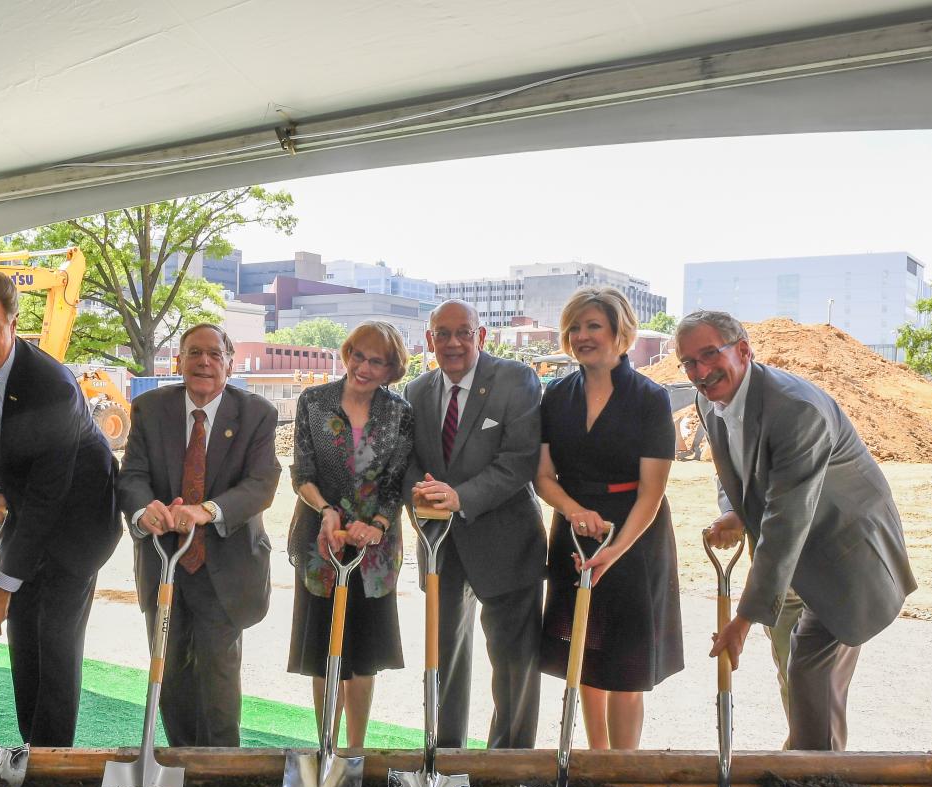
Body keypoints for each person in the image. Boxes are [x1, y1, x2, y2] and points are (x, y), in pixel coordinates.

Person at [681, 310, 916, 751]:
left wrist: (744, 618)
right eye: (688, 362)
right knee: (792, 667)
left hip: (842, 553)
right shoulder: (710, 403)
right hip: (786, 560)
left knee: (811, 672)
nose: (700, 371)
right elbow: (733, 468)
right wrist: (733, 510)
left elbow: (787, 519)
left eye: (709, 355)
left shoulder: (796, 409)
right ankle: (805, 765)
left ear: (744, 350)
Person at [0, 270, 120, 747]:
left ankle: (52, 763)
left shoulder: (52, 385)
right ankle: (28, 749)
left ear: (14, 323)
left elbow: (49, 496)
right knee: (23, 636)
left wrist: (2, 584)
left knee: (55, 639)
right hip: (29, 501)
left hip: (81, 514)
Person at [116, 324, 281, 746]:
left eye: (213, 354)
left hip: (225, 567)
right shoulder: (151, 409)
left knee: (219, 675)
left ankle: (221, 771)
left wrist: (206, 511)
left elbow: (261, 484)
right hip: (165, 564)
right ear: (179, 361)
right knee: (168, 671)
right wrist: (143, 510)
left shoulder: (256, 414)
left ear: (229, 363)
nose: (203, 362)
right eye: (193, 353)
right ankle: (179, 765)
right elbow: (132, 476)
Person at [535, 288, 682, 750]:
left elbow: (652, 491)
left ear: (620, 333)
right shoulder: (555, 396)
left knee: (626, 665)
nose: (582, 336)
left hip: (635, 538)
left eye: (593, 326)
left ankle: (624, 769)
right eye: (574, 328)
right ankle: (595, 762)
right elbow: (542, 476)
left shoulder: (651, 399)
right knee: (585, 653)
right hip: (575, 534)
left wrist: (615, 552)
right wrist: (575, 512)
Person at [405, 300, 545, 749]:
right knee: (442, 660)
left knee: (513, 666)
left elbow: (519, 460)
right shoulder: (416, 392)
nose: (453, 342)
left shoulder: (515, 380)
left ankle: (509, 765)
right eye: (442, 334)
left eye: (463, 332)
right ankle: (445, 761)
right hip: (441, 547)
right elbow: (409, 463)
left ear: (481, 336)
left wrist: (460, 497)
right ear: (429, 341)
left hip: (507, 544)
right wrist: (420, 495)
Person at [287, 321, 414, 750]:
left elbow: (396, 483)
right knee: (325, 655)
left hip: (373, 555)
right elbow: (301, 473)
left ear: (391, 368)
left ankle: (355, 751)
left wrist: (375, 525)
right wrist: (327, 512)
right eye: (358, 355)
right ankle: (326, 746)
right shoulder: (314, 402)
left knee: (362, 658)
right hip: (320, 546)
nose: (362, 366)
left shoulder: (399, 412)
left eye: (376, 361)